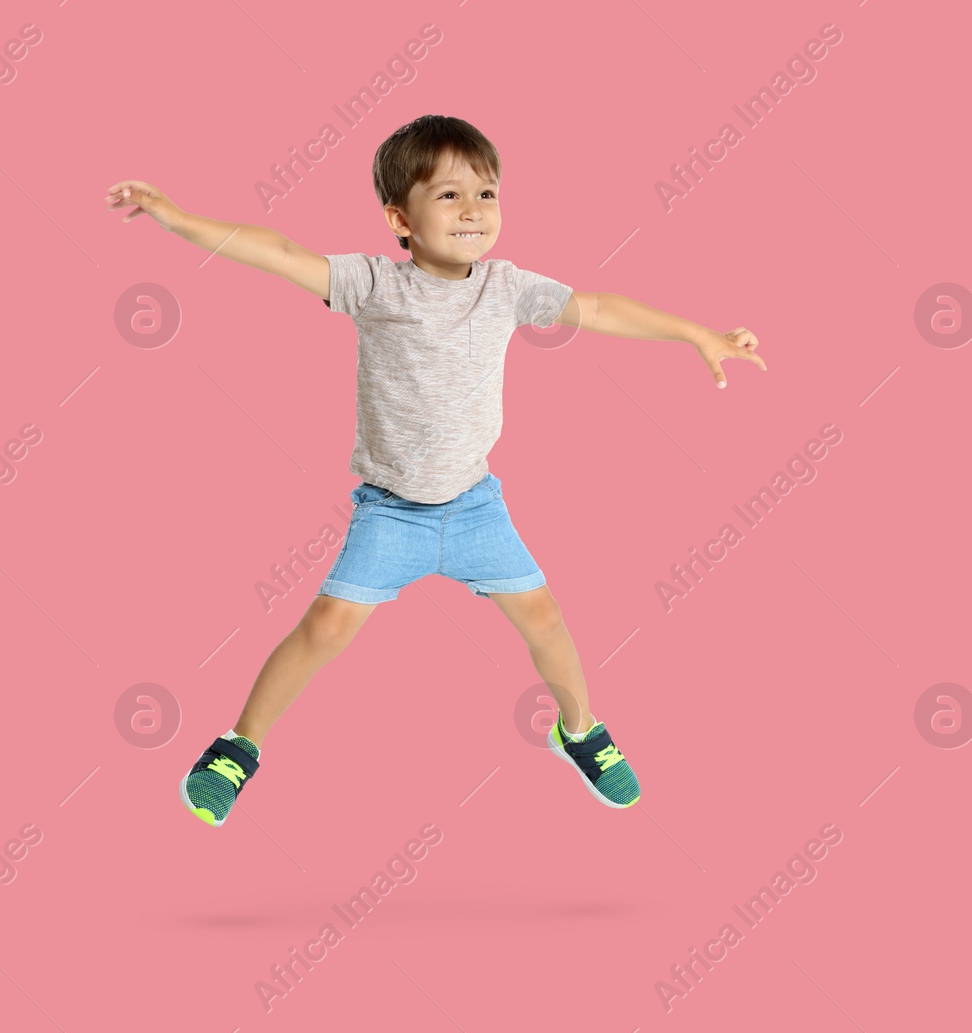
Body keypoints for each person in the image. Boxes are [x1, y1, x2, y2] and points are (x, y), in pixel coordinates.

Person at [105, 113, 766, 825]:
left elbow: (599, 306)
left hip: (477, 507)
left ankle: (580, 729)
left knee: (546, 617)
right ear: (401, 217)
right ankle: (237, 747)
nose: (474, 211)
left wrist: (698, 333)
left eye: (487, 193)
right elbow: (280, 250)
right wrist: (175, 218)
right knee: (326, 626)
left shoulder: (507, 287)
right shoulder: (371, 285)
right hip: (391, 512)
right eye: (449, 196)